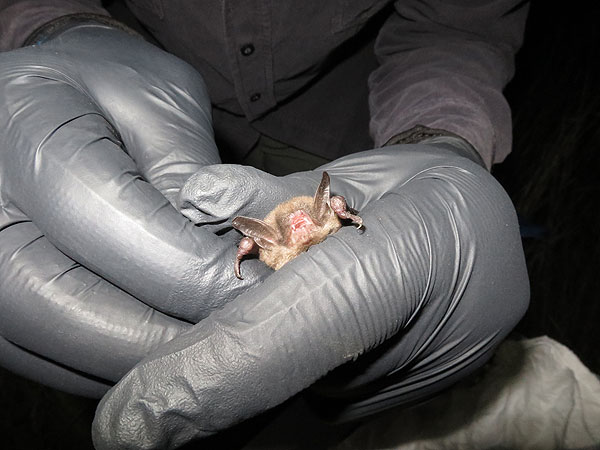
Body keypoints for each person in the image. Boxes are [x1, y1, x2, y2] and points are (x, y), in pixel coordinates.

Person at [0, 1, 530, 449]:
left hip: (340, 141)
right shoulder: (276, 230)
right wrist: (62, 26)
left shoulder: (321, 212)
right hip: (153, 121)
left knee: (323, 348)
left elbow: (458, 25)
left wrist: (442, 142)